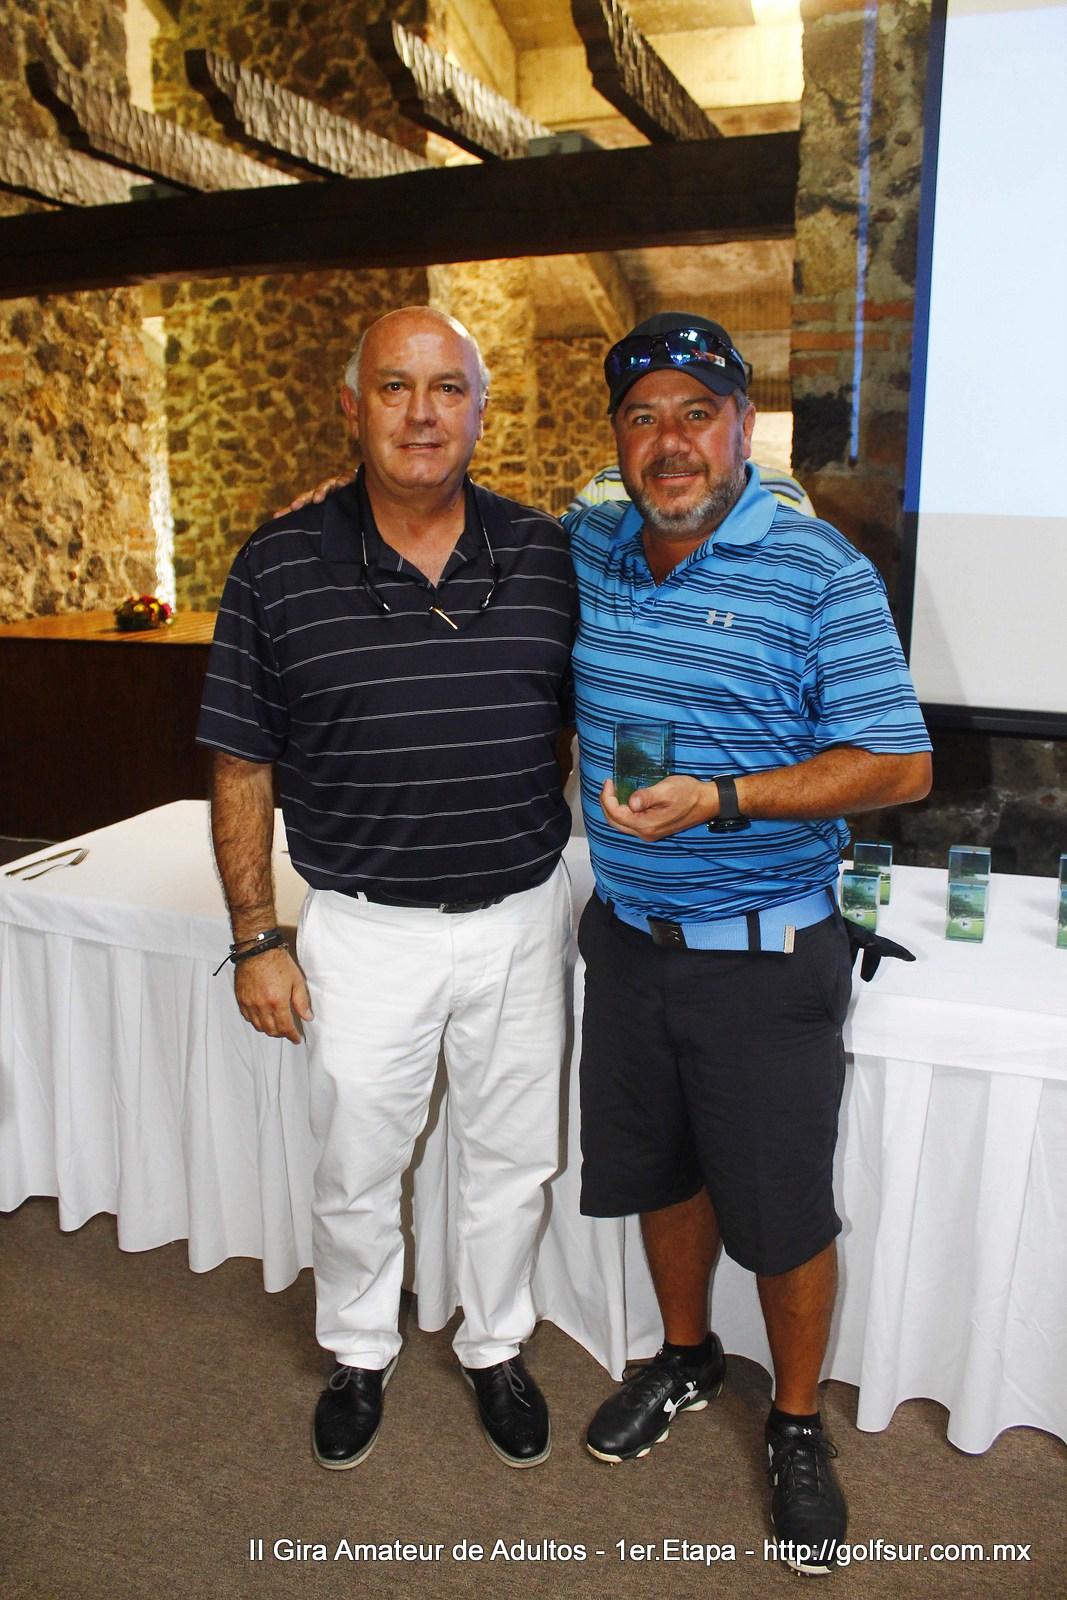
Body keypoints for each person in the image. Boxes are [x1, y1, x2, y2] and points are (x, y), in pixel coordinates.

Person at [564, 312, 932, 1574]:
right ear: (615, 441)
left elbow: (897, 762)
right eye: (641, 417)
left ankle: (793, 1423)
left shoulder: (819, 572)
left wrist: (723, 798)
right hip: (626, 941)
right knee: (660, 1174)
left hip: (764, 954)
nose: (668, 442)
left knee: (779, 1213)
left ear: (740, 427)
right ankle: (684, 1358)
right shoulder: (594, 542)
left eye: (694, 413)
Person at [197, 306, 577, 1472]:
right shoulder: (276, 563)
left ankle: (494, 1341)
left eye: (447, 388)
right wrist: (256, 935)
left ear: (479, 409)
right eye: (395, 387)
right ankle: (359, 1347)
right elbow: (240, 760)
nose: (421, 413)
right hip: (363, 932)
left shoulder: (549, 552)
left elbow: (577, 714)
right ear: (350, 406)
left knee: (514, 1156)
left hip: (521, 919)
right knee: (356, 1162)